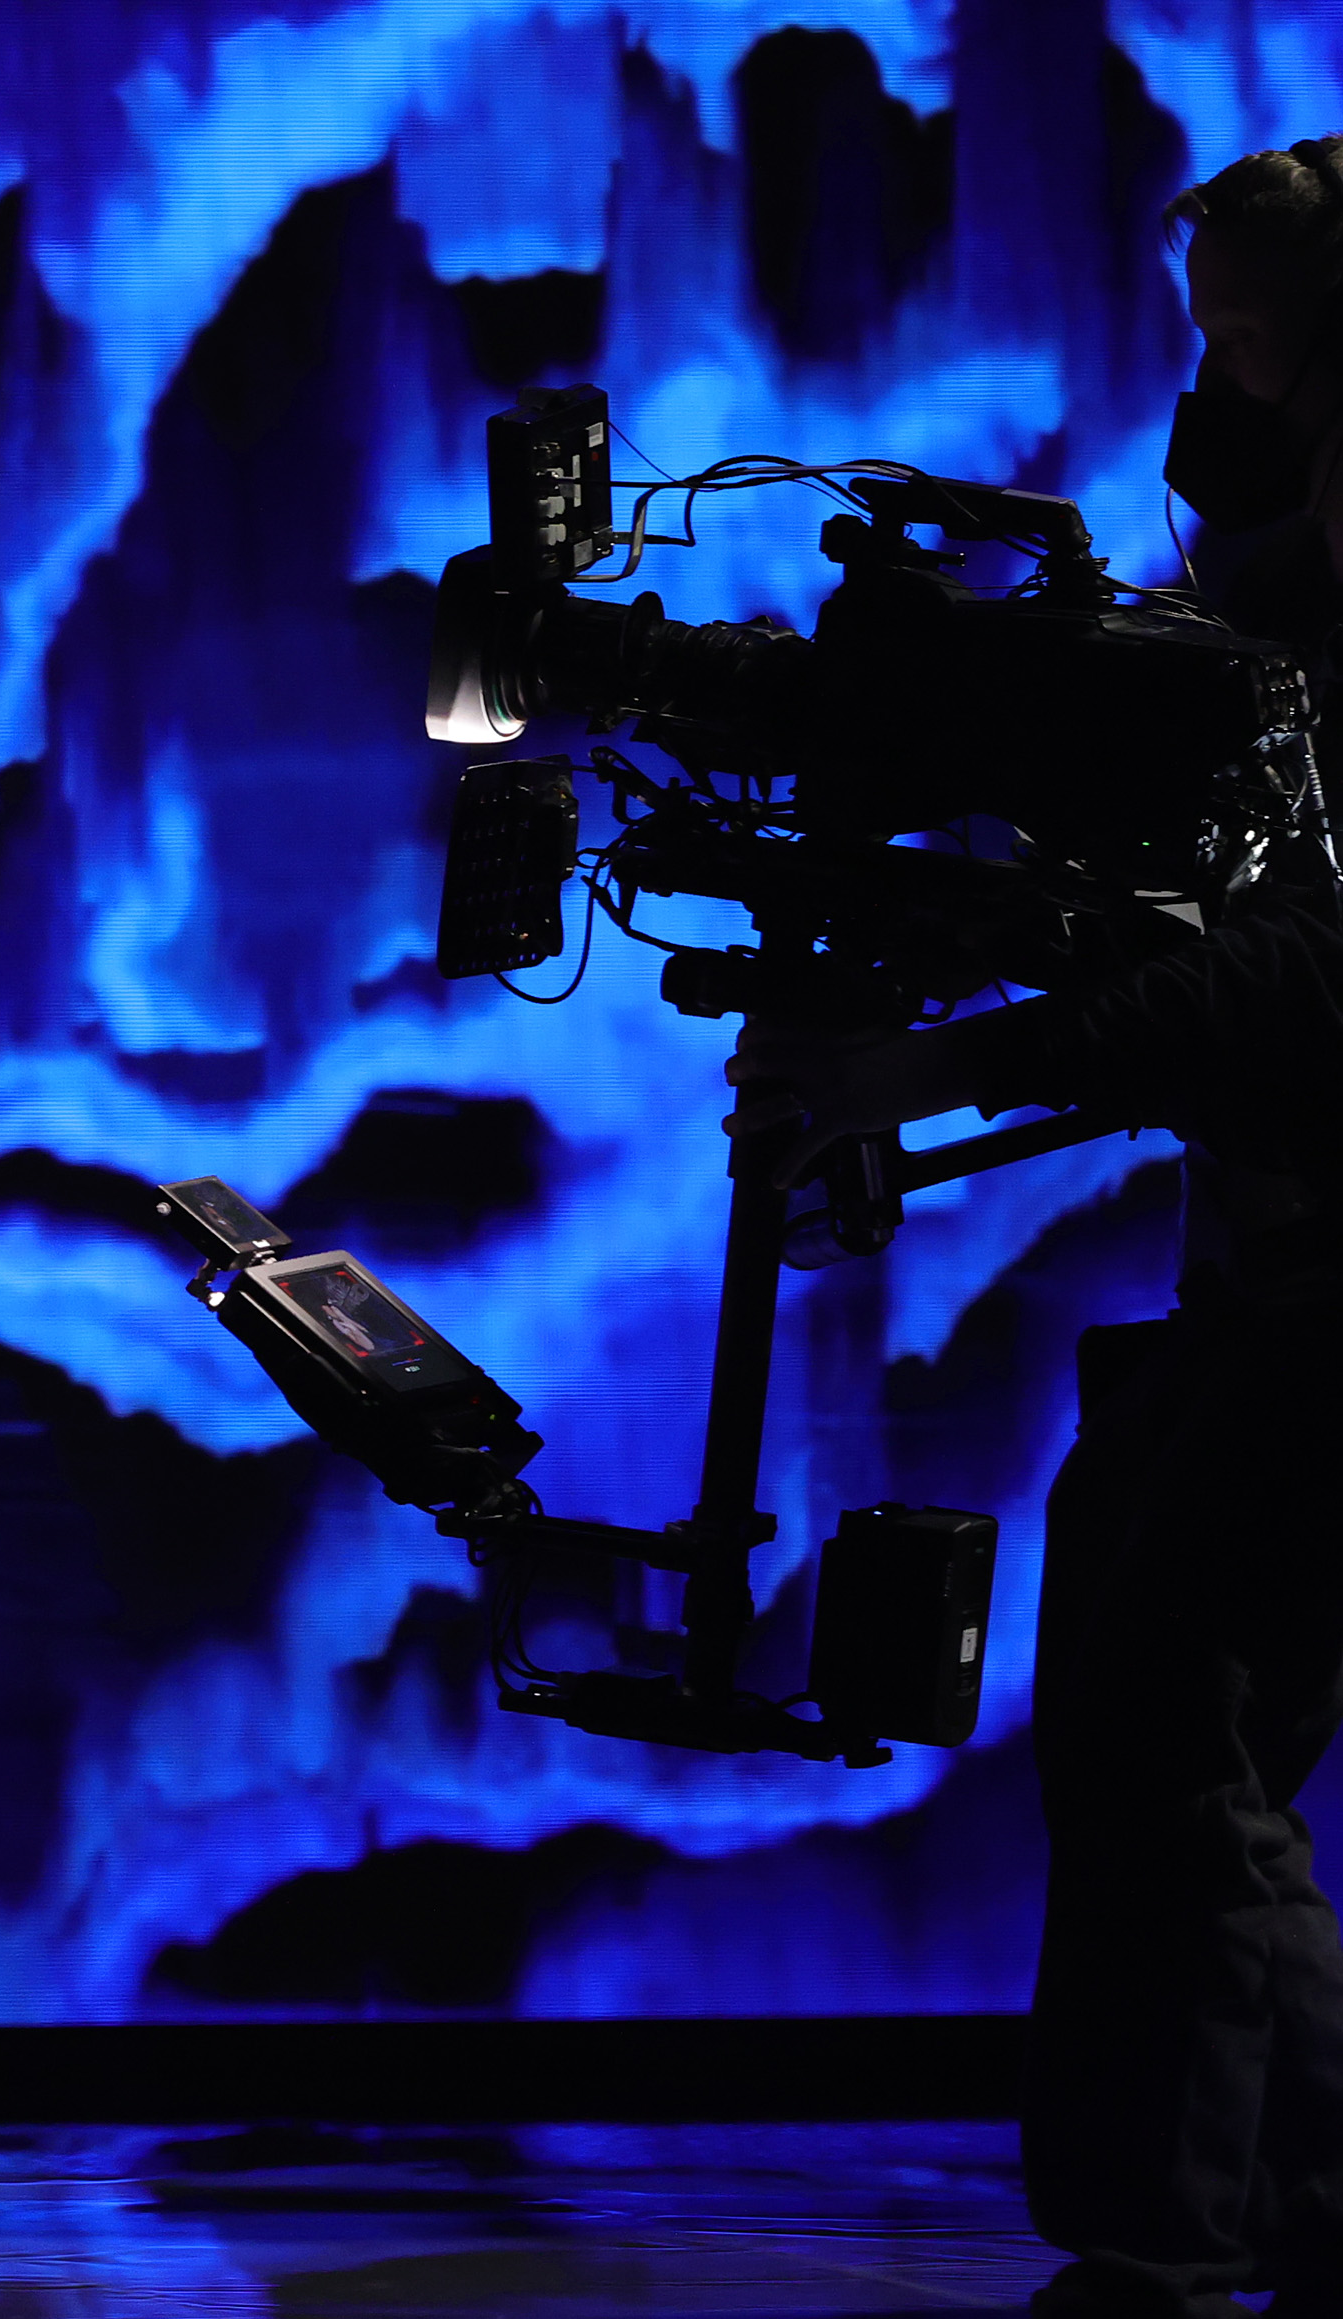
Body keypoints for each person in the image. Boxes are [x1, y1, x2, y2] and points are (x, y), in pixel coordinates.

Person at [731, 142, 1343, 2319]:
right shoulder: (1266, 627)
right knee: (1185, 1743)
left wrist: (928, 1073)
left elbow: (1292, 979)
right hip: (1275, 1272)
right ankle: (1235, 2217)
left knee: (1170, 1731)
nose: (1210, 392)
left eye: (1245, 345)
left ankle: (1184, 2237)